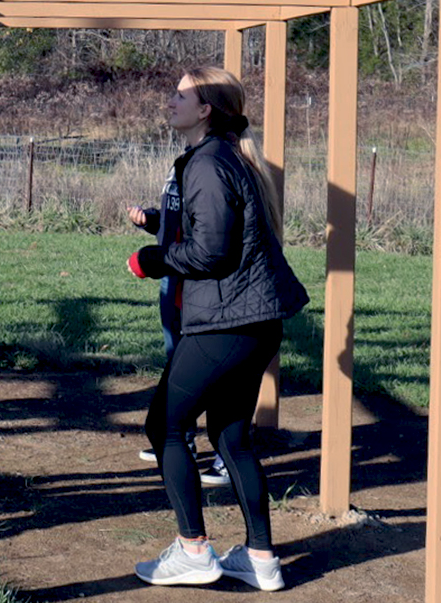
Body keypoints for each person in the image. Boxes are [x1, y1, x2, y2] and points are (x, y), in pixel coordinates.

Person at [126, 66, 307, 591]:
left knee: (165, 428)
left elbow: (210, 251)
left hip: (225, 325)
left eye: (181, 95)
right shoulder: (227, 159)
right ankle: (261, 560)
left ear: (205, 109)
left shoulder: (207, 163)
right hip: (255, 323)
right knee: (231, 439)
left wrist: (152, 259)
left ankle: (193, 551)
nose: (170, 101)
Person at [128, 168, 231, 488]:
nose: (170, 114)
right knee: (177, 363)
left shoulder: (217, 165)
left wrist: (156, 259)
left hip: (199, 281)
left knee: (212, 369)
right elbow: (178, 223)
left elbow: (211, 233)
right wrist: (152, 221)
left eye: (175, 111)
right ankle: (182, 440)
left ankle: (227, 454)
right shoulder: (180, 166)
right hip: (173, 279)